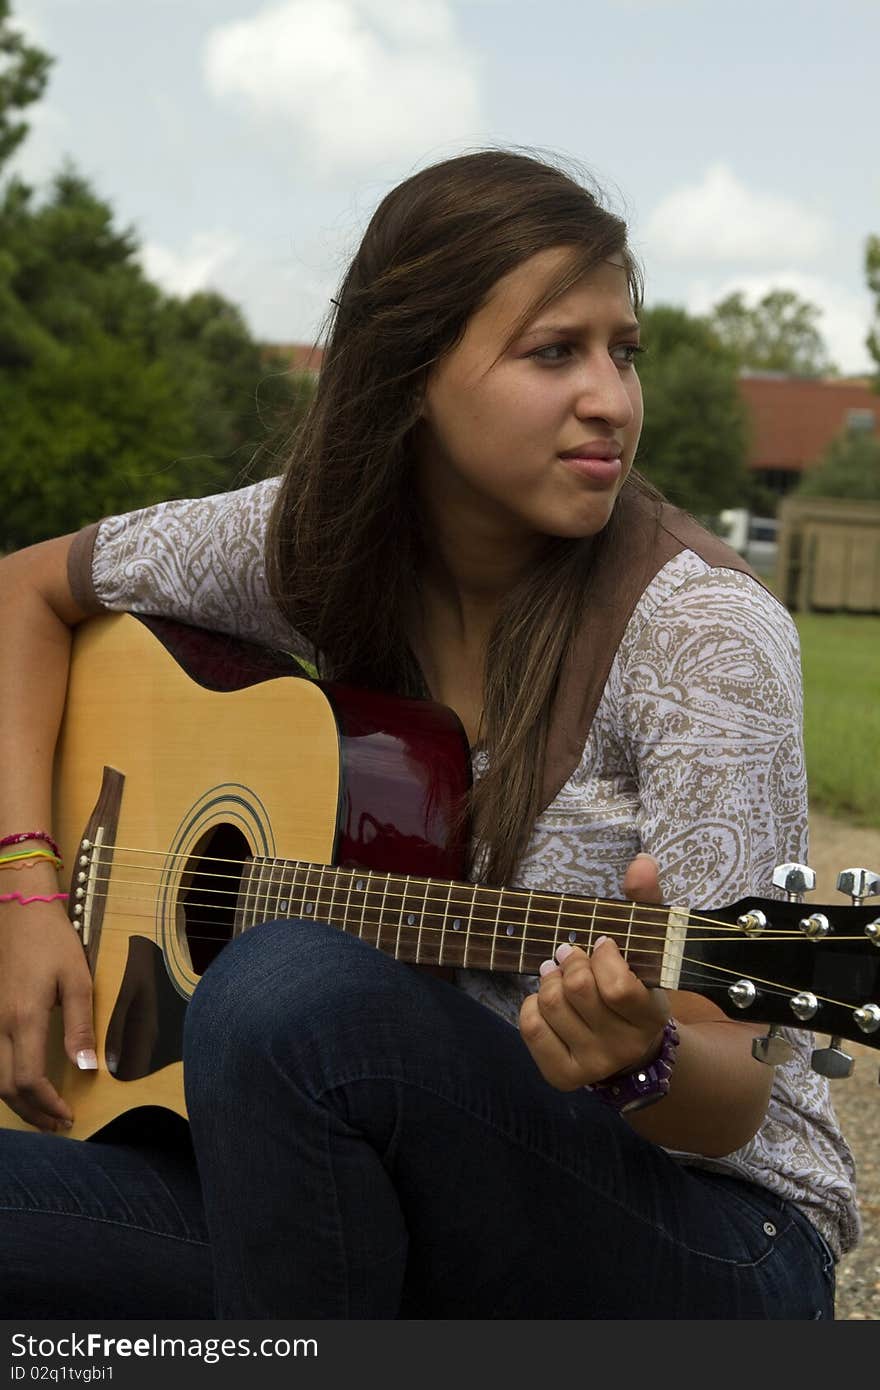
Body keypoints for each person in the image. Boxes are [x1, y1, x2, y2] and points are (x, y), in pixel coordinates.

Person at [0, 148, 856, 1320]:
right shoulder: (318, 541)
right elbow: (24, 594)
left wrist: (638, 1054)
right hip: (361, 1171)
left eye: (623, 349)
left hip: (707, 1236)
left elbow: (735, 1097)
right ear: (411, 376)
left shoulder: (703, 632)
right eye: (555, 350)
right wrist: (31, 893)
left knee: (282, 987)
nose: (610, 396)